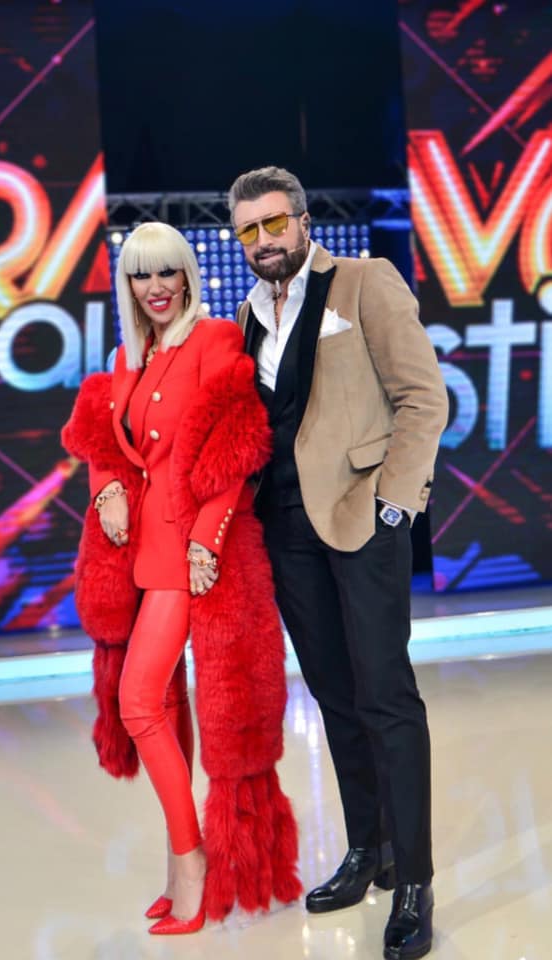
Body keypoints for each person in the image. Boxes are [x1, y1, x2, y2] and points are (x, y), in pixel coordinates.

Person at [228, 166, 449, 960]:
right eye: (249, 230)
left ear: (303, 221)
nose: (264, 239)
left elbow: (424, 396)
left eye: (274, 222)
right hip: (286, 533)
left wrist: (396, 504)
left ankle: (415, 880)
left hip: (363, 519)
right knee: (335, 697)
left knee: (386, 697)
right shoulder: (246, 316)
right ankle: (369, 849)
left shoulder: (363, 281)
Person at [61, 221, 301, 935]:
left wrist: (206, 542)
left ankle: (194, 862)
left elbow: (236, 447)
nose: (156, 287)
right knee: (162, 707)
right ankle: (177, 863)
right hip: (136, 555)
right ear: (127, 284)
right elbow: (106, 445)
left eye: (167, 271)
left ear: (188, 276)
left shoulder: (215, 341)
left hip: (187, 555)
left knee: (139, 701)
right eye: (141, 274)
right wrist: (106, 487)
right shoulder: (125, 358)